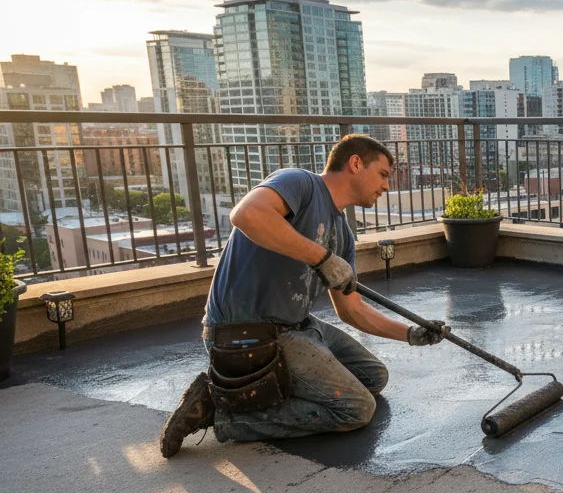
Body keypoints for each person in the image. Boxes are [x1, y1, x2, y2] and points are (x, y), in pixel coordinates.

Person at [159, 134, 446, 457]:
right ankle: (221, 413)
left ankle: (271, 388)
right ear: (355, 163)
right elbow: (246, 215)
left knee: (373, 376)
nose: (387, 187)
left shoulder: (343, 236)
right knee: (355, 409)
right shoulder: (300, 184)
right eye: (383, 174)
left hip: (297, 327)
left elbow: (352, 310)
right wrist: (321, 258)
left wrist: (410, 334)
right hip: (247, 335)